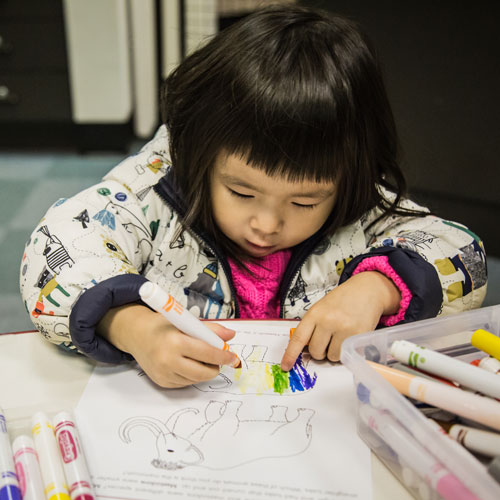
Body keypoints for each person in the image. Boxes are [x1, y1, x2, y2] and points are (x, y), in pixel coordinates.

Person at [20, 6, 487, 388]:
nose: (266, 223)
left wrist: (378, 288)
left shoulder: (358, 200)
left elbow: (463, 252)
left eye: (304, 203)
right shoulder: (156, 187)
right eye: (241, 192)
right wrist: (129, 324)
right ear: (197, 153)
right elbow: (55, 249)